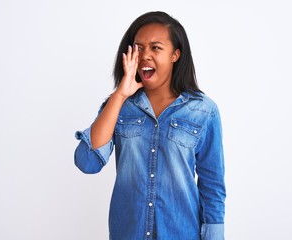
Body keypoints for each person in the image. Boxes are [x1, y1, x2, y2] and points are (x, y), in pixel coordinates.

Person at [74, 11, 226, 240]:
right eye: (139, 48)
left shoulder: (203, 111)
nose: (145, 55)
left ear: (175, 54)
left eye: (155, 48)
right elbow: (87, 162)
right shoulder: (118, 106)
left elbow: (212, 186)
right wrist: (120, 95)